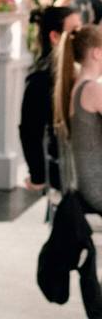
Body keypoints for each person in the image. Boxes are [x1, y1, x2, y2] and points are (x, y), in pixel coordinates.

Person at [20, 6, 80, 191]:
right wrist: (37, 175)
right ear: (55, 37)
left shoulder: (78, 70)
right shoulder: (41, 78)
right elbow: (30, 131)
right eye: (74, 32)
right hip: (64, 169)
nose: (81, 37)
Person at [54, 25, 102, 212]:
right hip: (97, 188)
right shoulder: (91, 89)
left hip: (88, 184)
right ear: (97, 53)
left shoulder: (80, 86)